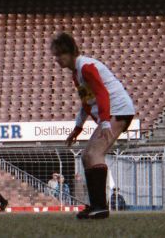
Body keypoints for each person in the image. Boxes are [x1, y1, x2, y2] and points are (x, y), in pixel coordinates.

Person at [53, 32, 135, 219]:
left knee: (94, 154)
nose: (57, 59)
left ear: (71, 52)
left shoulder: (87, 67)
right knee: (86, 155)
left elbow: (102, 94)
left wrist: (105, 121)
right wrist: (77, 128)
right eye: (56, 55)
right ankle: (96, 205)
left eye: (60, 54)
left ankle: (101, 207)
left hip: (118, 111)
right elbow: (87, 102)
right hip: (113, 112)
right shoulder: (77, 73)